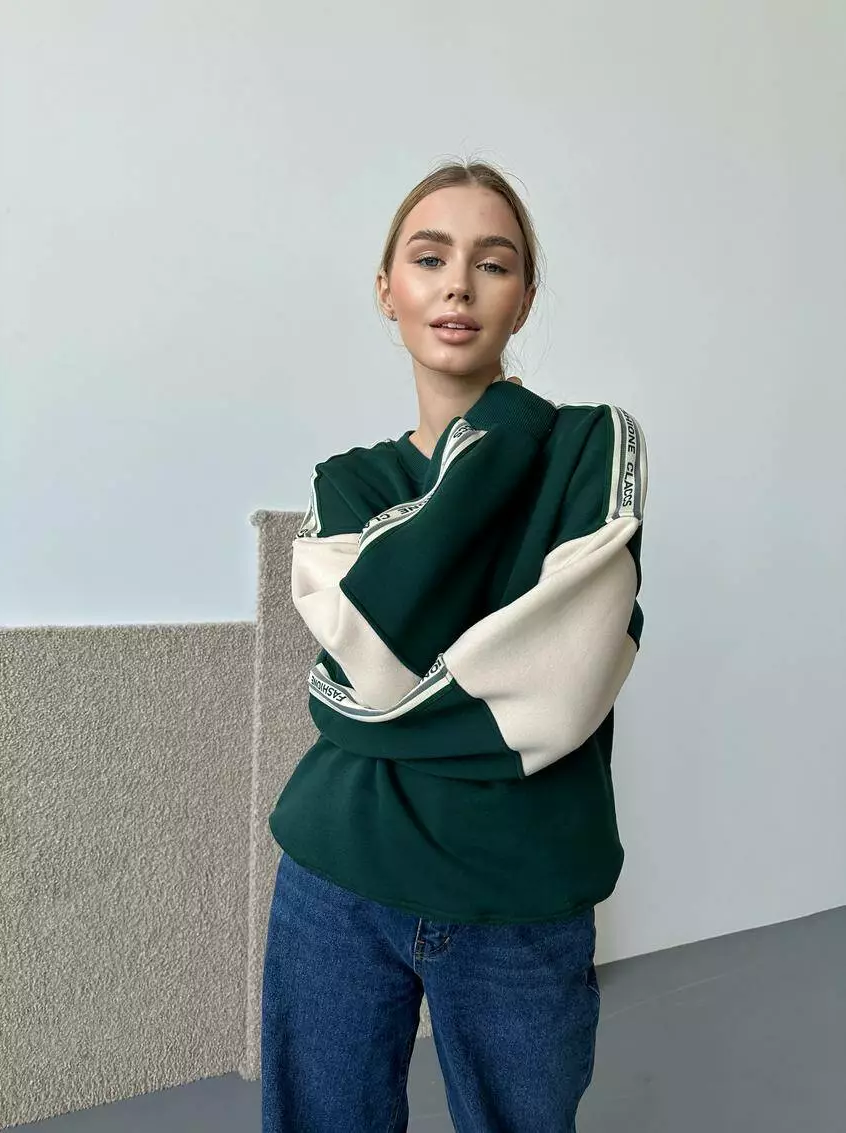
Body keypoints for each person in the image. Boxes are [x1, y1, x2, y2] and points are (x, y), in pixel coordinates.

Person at [261, 159, 648, 1132]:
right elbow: (372, 656)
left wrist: (505, 421)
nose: (459, 285)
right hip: (335, 876)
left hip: (519, 897)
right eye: (429, 258)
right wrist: (466, 670)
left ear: (525, 298)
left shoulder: (590, 446)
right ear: (386, 289)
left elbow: (563, 686)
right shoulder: (347, 480)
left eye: (494, 263)